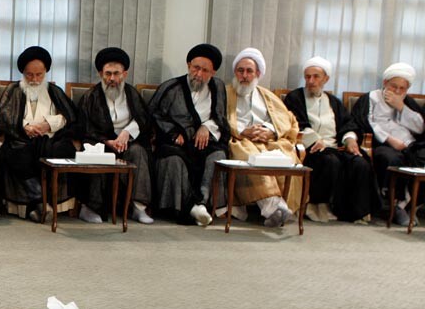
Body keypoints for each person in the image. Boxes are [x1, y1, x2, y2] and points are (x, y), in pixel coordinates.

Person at [282, 56, 380, 223]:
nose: (311, 81)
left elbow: (347, 124)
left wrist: (350, 140)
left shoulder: (334, 101)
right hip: (311, 148)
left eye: (316, 77)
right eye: (307, 77)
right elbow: (293, 123)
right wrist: (314, 139)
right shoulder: (295, 97)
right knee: (330, 161)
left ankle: (356, 211)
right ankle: (318, 206)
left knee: (360, 162)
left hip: (335, 147)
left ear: (326, 79)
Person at [150, 44, 229, 226]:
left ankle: (202, 203)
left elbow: (220, 116)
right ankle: (188, 207)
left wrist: (207, 127)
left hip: (204, 140)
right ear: (188, 65)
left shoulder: (218, 87)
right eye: (196, 68)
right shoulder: (171, 87)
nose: (198, 74)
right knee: (174, 158)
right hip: (176, 141)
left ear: (213, 72)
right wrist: (173, 132)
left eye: (205, 70)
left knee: (218, 155)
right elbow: (154, 114)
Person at [0, 46, 77, 222]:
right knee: (16, 153)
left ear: (45, 72)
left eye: (39, 75)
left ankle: (39, 204)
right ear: (23, 73)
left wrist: (48, 124)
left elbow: (69, 116)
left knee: (62, 150)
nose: (34, 80)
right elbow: (4, 117)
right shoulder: (13, 90)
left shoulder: (54, 91)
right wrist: (24, 126)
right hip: (20, 139)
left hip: (49, 139)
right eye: (29, 75)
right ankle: (40, 200)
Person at [74, 47, 154, 224]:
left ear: (124, 74)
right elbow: (84, 127)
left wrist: (127, 132)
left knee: (139, 152)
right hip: (101, 143)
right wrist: (106, 141)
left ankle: (138, 207)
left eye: (116, 73)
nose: (112, 78)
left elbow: (143, 120)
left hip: (127, 143)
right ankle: (90, 208)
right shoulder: (90, 97)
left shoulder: (132, 94)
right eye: (108, 73)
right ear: (100, 74)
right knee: (96, 154)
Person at [225, 47, 301, 228]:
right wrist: (242, 131)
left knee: (287, 155)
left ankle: (284, 205)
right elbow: (218, 118)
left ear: (257, 74)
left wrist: (270, 131)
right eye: (240, 71)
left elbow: (286, 119)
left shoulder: (267, 95)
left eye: (249, 71)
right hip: (240, 139)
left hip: (268, 141)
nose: (244, 75)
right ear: (235, 72)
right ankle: (273, 207)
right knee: (250, 157)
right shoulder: (225, 92)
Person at [352, 62, 425, 226]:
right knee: (391, 158)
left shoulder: (407, 102)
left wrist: (401, 107)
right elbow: (366, 123)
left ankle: (410, 205)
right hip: (382, 144)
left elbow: (420, 128)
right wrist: (390, 140)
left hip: (410, 146)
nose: (397, 91)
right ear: (385, 82)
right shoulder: (371, 98)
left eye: (402, 88)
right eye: (394, 86)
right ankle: (395, 204)